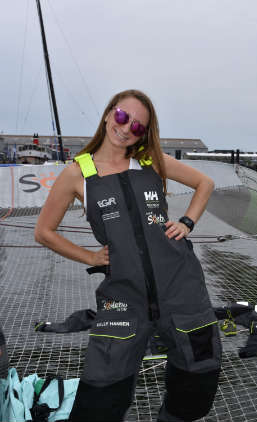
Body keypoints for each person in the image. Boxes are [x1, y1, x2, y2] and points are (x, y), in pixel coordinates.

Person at [35, 89, 222, 422]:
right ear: (109, 113)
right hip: (124, 296)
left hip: (181, 287)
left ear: (144, 134)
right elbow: (44, 232)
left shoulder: (150, 160)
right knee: (101, 393)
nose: (126, 128)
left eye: (137, 127)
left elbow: (205, 182)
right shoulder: (77, 173)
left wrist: (187, 222)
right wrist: (90, 258)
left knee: (200, 375)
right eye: (122, 117)